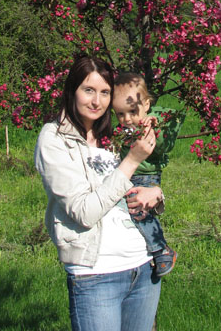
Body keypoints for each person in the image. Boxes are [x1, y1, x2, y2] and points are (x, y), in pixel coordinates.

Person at [34, 54, 163, 331]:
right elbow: (84, 212)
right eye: (88, 90)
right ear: (72, 90)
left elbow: (136, 182)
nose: (97, 101)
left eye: (104, 92)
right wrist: (132, 160)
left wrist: (157, 193)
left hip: (142, 267)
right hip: (96, 275)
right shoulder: (54, 139)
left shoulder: (114, 136)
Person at [112, 72, 184, 278]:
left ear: (146, 105)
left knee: (138, 211)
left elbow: (163, 142)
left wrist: (155, 125)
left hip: (146, 176)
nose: (127, 119)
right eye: (120, 114)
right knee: (133, 212)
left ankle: (161, 250)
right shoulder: (123, 128)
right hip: (130, 174)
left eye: (132, 111)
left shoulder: (150, 125)